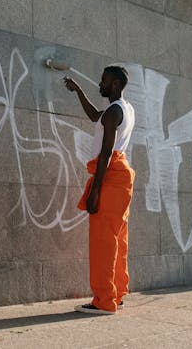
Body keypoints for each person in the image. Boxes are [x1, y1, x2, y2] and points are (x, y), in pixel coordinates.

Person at [64, 66, 136, 315]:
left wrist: (96, 190)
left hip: (110, 177)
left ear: (115, 84)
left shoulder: (114, 111)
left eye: (104, 81)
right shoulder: (122, 109)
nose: (100, 84)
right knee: (117, 238)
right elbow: (96, 115)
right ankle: (117, 292)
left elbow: (106, 153)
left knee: (103, 242)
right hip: (122, 176)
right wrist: (78, 92)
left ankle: (104, 301)